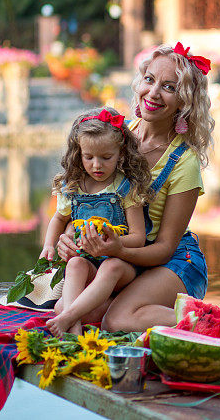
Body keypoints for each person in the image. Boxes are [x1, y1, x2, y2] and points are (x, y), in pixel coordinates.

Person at [55, 43, 220, 344]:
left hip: (172, 261)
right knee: (74, 311)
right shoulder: (115, 137)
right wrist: (69, 235)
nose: (154, 93)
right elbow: (83, 199)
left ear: (184, 101)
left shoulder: (184, 162)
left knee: (118, 320)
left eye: (169, 87)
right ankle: (159, 310)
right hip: (125, 260)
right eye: (150, 80)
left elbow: (165, 247)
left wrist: (117, 250)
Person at [40, 107, 153, 338]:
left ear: (120, 154)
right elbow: (58, 219)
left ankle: (69, 317)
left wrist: (115, 246)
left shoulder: (125, 188)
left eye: (106, 157)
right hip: (90, 265)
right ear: (78, 153)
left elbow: (139, 237)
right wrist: (48, 246)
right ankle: (73, 327)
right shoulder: (72, 187)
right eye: (88, 157)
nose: (96, 165)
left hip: (121, 266)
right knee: (74, 265)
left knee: (110, 266)